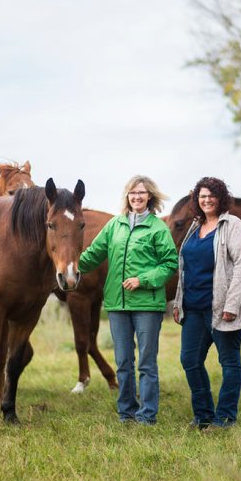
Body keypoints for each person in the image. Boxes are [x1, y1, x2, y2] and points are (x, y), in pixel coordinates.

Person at [78, 175, 178, 425]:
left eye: (142, 193)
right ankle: (127, 412)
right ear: (127, 197)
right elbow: (93, 254)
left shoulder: (158, 228)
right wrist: (70, 265)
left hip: (147, 305)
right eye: (133, 193)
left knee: (146, 363)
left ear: (150, 197)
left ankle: (147, 415)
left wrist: (142, 280)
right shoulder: (115, 226)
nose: (137, 197)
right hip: (117, 304)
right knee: (123, 362)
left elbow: (170, 264)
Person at [173, 177, 241, 431]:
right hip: (194, 308)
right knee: (189, 360)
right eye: (202, 196)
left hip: (223, 308)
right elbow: (185, 267)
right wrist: (179, 301)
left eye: (211, 195)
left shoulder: (232, 224)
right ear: (196, 200)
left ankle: (225, 419)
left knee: (229, 362)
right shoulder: (194, 227)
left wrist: (232, 305)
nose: (207, 200)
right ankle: (203, 416)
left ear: (221, 198)